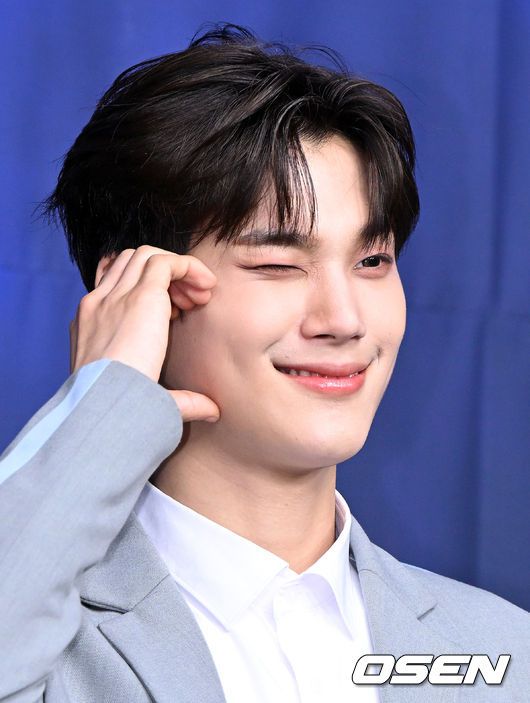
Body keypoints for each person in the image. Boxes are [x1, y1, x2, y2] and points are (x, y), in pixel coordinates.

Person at [0, 22, 528, 703]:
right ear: (138, 291)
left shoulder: (500, 649)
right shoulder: (49, 645)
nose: (344, 319)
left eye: (373, 261)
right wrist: (98, 408)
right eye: (278, 264)